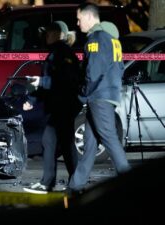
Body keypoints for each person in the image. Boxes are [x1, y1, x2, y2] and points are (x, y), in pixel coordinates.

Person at [67, 3, 131, 194]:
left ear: (88, 17)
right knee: (90, 143)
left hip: (98, 96)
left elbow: (93, 73)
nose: (78, 24)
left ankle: (131, 182)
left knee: (109, 139)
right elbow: (119, 68)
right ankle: (75, 185)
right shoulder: (113, 40)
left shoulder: (95, 39)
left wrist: (82, 94)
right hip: (107, 95)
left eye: (79, 19)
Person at [22, 21, 82, 194]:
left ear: (59, 34)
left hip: (64, 105)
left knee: (54, 141)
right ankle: (71, 182)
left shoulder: (62, 53)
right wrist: (32, 99)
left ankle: (52, 183)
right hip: (60, 105)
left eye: (49, 32)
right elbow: (49, 84)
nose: (46, 35)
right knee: (62, 143)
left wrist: (40, 82)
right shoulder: (56, 53)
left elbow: (64, 81)